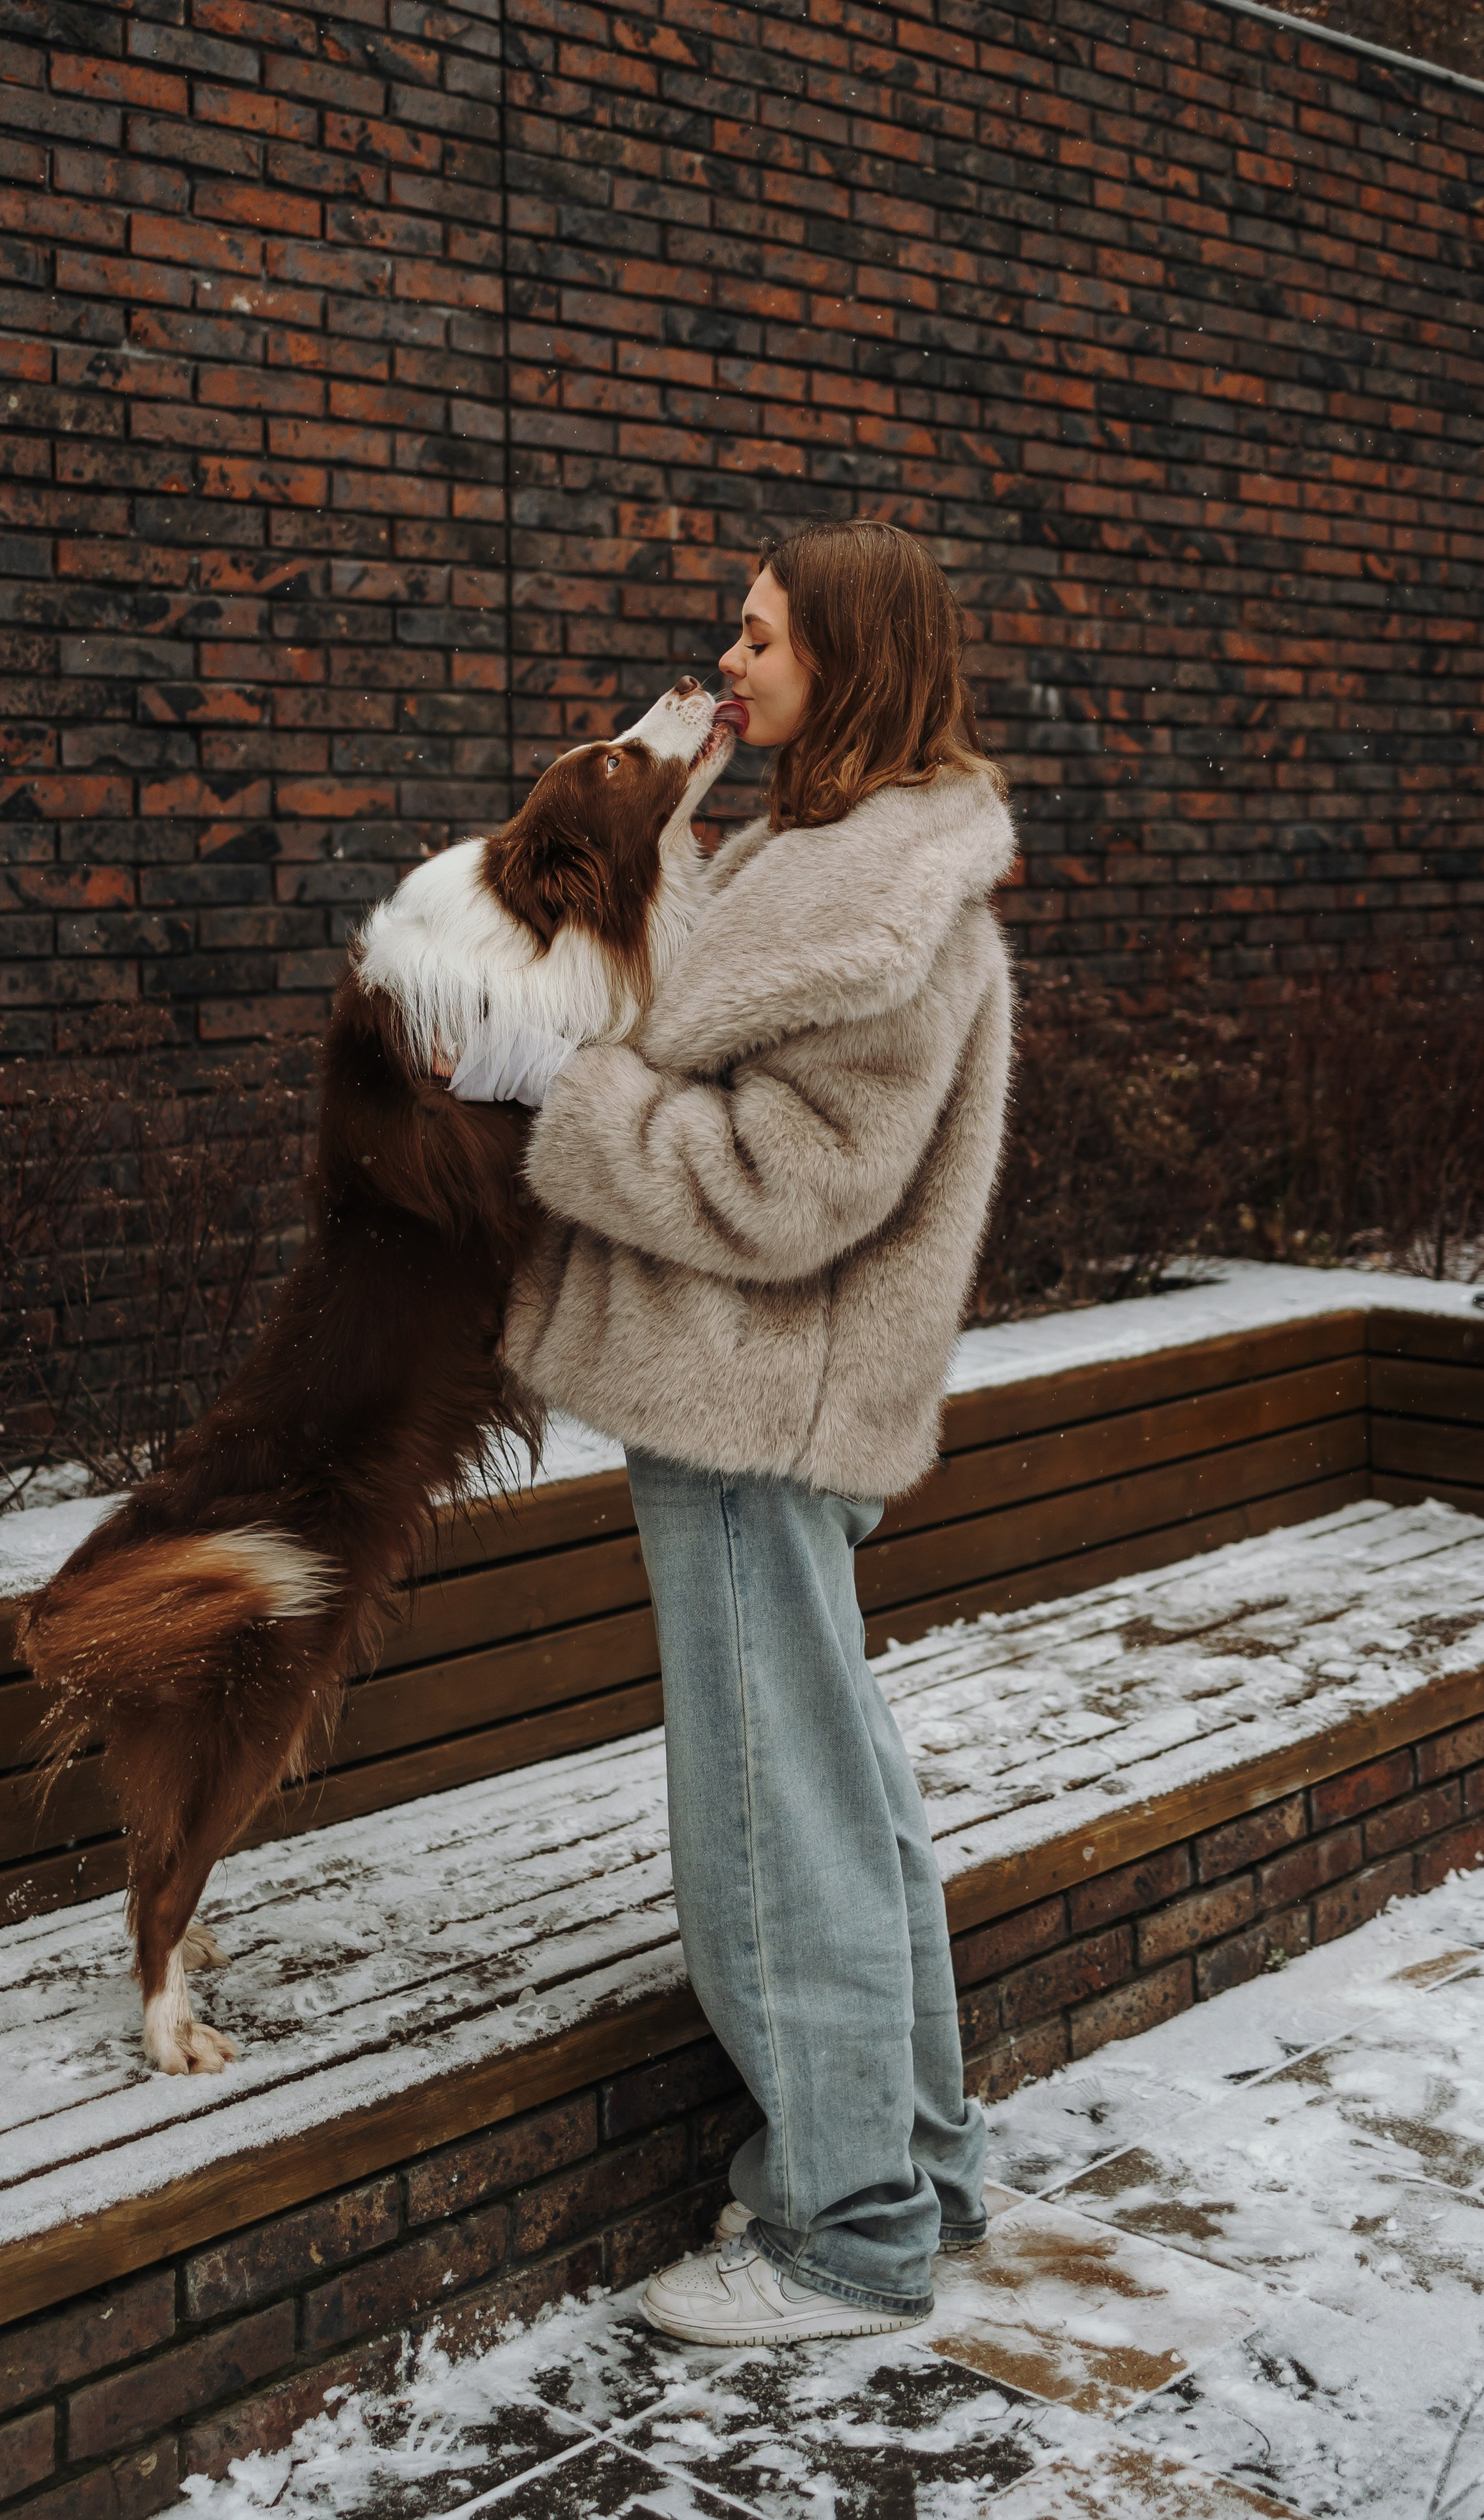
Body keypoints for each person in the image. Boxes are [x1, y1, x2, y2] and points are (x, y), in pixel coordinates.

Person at [453, 516, 1016, 2343]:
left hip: (748, 1402)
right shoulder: (826, 854)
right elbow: (716, 1035)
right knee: (837, 1791)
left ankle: (841, 2232)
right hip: (764, 1396)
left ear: (847, 658)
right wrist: (664, 857)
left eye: (762, 635)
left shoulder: (876, 901)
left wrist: (566, 1094)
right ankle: (915, 2166)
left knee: (768, 1819)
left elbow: (783, 1184)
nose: (730, 658)